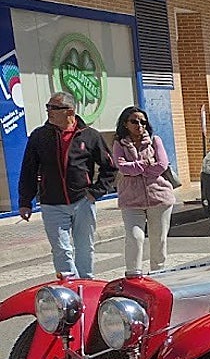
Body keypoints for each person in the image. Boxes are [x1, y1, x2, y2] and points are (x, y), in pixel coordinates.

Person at [17, 90, 115, 279]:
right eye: (48, 107)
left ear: (69, 111)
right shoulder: (39, 136)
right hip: (51, 203)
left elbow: (110, 167)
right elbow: (28, 170)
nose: (49, 111)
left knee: (85, 247)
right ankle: (69, 287)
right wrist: (25, 201)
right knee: (61, 249)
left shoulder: (90, 136)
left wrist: (96, 192)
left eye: (54, 108)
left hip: (83, 202)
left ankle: (85, 284)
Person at [112, 106, 176, 274]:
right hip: (131, 199)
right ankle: (133, 274)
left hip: (159, 196)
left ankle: (159, 274)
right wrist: (146, 164)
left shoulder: (155, 141)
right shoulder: (119, 144)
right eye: (134, 121)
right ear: (125, 124)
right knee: (135, 237)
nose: (139, 125)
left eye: (143, 122)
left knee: (158, 240)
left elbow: (162, 165)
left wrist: (137, 168)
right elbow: (123, 167)